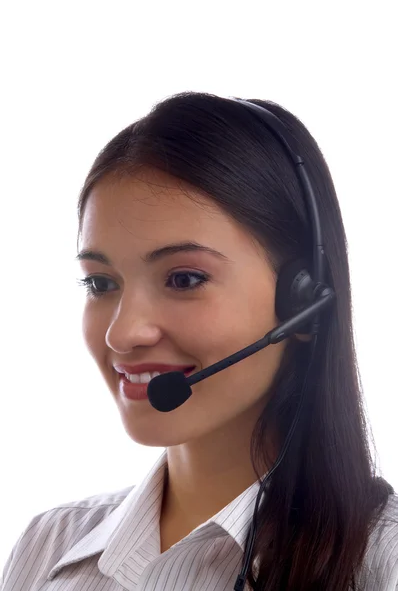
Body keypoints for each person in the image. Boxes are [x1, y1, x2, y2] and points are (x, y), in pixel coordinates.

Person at [1, 92, 397, 591]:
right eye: (101, 283)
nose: (122, 334)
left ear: (303, 301)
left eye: (184, 279)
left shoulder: (385, 564)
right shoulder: (48, 548)